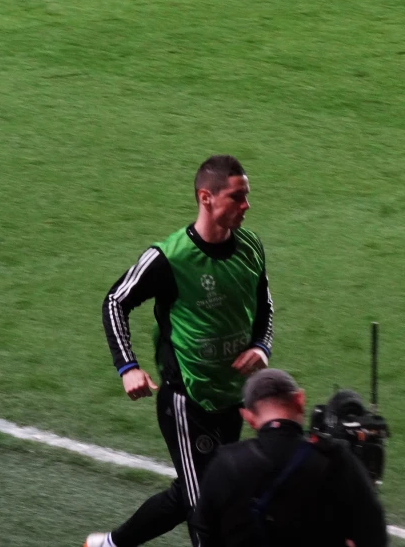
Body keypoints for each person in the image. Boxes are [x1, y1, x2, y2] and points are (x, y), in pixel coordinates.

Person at [86, 155, 274, 547]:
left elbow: (264, 305)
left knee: (191, 492)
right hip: (187, 400)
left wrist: (261, 345)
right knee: (205, 505)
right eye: (237, 197)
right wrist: (128, 367)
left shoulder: (250, 246)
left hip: (231, 396)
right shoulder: (169, 258)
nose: (246, 206)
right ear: (206, 198)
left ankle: (108, 545)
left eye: (247, 196)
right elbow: (114, 301)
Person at [192, 368, 388, 547]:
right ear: (300, 400)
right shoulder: (336, 459)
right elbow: (374, 535)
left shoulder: (225, 463)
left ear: (248, 417)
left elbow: (205, 532)